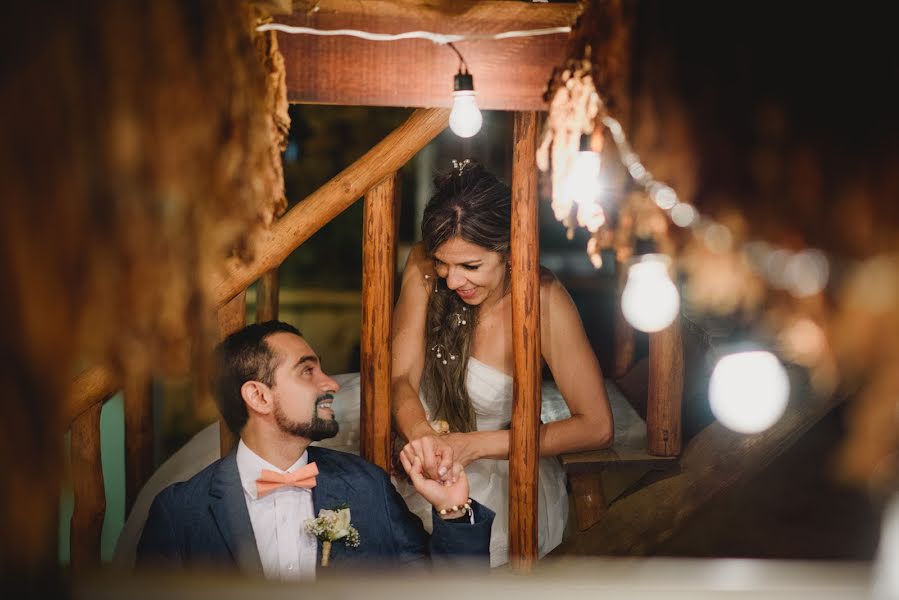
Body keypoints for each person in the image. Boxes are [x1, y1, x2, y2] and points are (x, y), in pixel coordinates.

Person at [136, 321, 493, 580]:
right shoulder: (180, 513)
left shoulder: (367, 486)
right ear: (258, 396)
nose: (331, 383)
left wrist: (451, 511)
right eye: (307, 372)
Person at [390, 160, 614, 566]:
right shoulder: (422, 266)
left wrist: (473, 447)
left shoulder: (545, 301)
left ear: (511, 250)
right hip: (414, 442)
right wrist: (421, 433)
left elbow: (596, 426)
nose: (452, 281)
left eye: (470, 266)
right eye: (443, 264)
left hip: (492, 466)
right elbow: (401, 376)